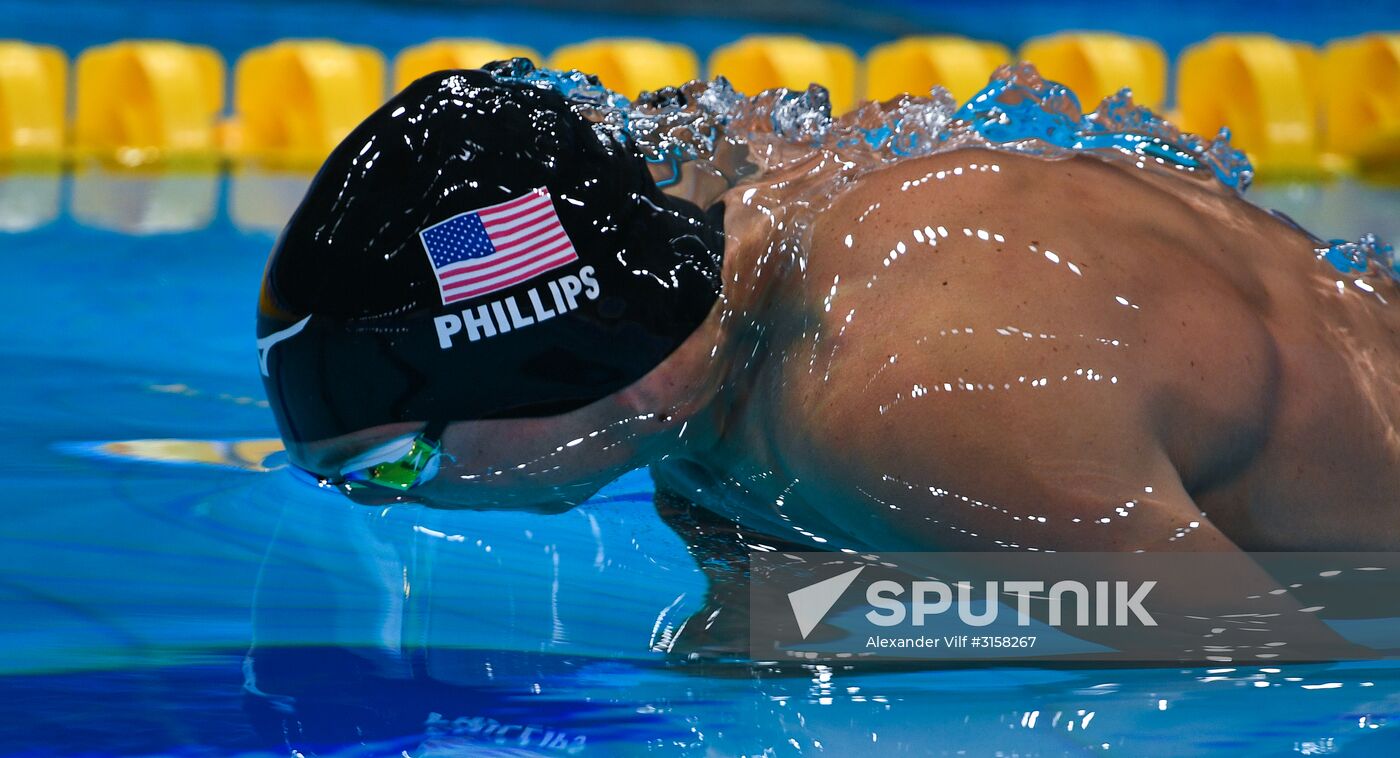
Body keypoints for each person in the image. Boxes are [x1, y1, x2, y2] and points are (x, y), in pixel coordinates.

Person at [258, 61, 1400, 560]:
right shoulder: (712, 381)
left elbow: (1257, 657)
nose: (385, 501)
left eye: (393, 466)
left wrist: (829, 622)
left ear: (546, 368)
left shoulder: (909, 390)